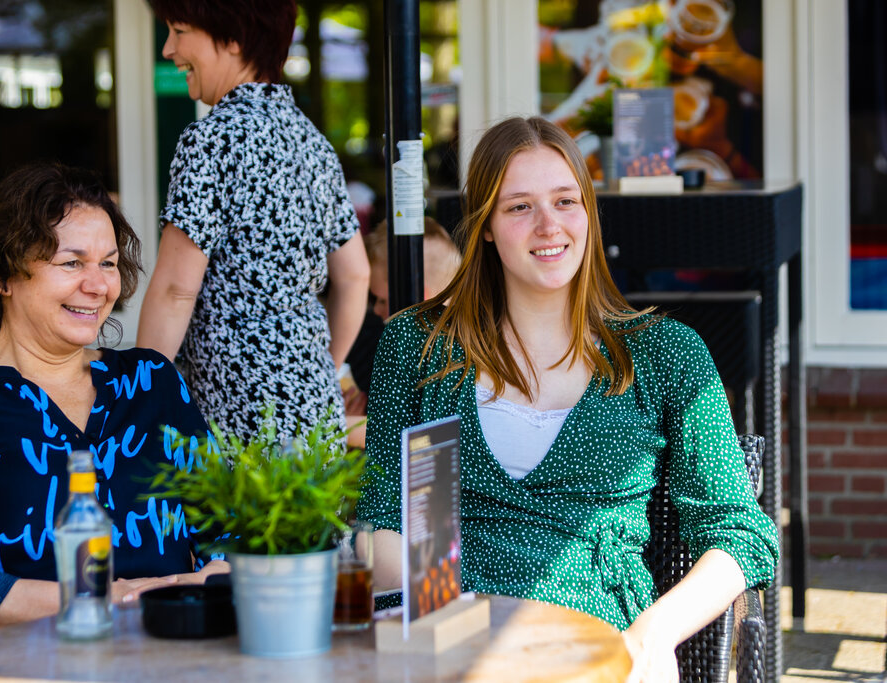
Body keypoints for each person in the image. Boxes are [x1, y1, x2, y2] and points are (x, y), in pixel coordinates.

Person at [356, 117, 778, 681]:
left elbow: (741, 535)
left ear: (588, 213)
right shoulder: (420, 346)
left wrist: (653, 637)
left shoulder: (664, 355)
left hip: (601, 643)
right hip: (451, 638)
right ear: (485, 226)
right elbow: (388, 520)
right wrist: (445, 611)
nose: (548, 225)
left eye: (565, 201)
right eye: (519, 207)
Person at [0, 163, 227, 635]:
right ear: (3, 276)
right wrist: (100, 597)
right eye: (71, 263)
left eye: (107, 263)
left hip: (171, 649)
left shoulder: (152, 382)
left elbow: (230, 526)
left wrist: (216, 578)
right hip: (29, 661)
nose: (98, 285)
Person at [137, 0, 370, 442]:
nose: (168, 49)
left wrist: (141, 397)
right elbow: (355, 275)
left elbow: (175, 289)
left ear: (233, 39)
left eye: (180, 31)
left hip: (236, 412)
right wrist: (312, 365)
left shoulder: (211, 139)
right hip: (314, 406)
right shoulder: (312, 141)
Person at [342, 217, 461, 447]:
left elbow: (407, 432)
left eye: (382, 299)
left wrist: (335, 425)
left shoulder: (446, 350)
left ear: (418, 298)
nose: (376, 309)